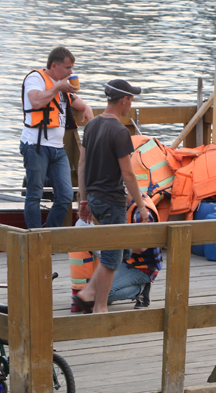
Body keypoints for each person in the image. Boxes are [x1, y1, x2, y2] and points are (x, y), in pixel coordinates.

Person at [73, 79, 149, 314]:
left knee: (115, 251)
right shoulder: (119, 131)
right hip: (111, 201)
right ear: (124, 100)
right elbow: (128, 173)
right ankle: (100, 308)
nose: (131, 104)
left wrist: (83, 200)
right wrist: (141, 206)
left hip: (94, 198)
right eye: (131, 99)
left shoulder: (93, 124)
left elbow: (82, 165)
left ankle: (87, 294)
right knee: (111, 258)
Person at [21, 46, 94, 229]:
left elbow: (75, 101)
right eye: (68, 68)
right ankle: (34, 238)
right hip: (36, 146)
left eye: (72, 68)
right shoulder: (35, 79)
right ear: (54, 65)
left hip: (57, 149)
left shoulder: (63, 85)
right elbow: (36, 101)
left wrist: (86, 107)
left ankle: (47, 233)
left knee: (66, 195)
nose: (71, 72)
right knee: (34, 194)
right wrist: (58, 87)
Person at [106, 194, 162, 309]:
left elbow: (142, 246)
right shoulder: (124, 206)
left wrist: (113, 252)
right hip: (126, 260)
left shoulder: (141, 212)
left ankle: (141, 290)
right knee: (93, 291)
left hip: (143, 267)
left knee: (105, 293)